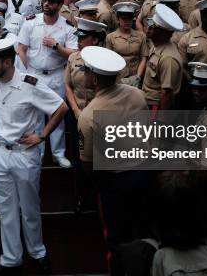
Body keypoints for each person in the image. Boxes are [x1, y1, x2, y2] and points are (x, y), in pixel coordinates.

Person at [0, 36, 68, 274]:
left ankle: (38, 252)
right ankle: (11, 259)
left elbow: (60, 107)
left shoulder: (30, 83)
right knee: (5, 210)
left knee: (29, 209)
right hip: (0, 153)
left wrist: (42, 136)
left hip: (25, 154)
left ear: (8, 62)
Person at [76, 46, 149, 274]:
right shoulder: (137, 95)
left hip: (113, 182)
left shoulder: (89, 115)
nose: (83, 74)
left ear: (95, 79)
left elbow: (87, 164)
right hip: (143, 174)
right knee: (142, 230)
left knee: (116, 238)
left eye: (86, 71)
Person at [17, 0, 77, 168]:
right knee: (34, 114)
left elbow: (74, 54)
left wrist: (57, 47)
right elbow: (22, 49)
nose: (46, 4)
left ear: (60, 5)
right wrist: (26, 74)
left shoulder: (67, 27)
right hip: (34, 73)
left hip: (56, 74)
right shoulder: (30, 23)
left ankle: (58, 153)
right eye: (45, 0)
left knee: (56, 115)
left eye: (51, 2)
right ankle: (39, 152)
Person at [142, 4, 184, 112]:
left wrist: (160, 121)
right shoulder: (156, 46)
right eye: (150, 23)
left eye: (153, 27)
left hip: (157, 108)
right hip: (147, 103)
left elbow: (167, 94)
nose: (148, 28)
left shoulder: (168, 58)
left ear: (165, 33)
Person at [105, 2, 149, 85]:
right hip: (117, 78)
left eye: (130, 19)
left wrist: (138, 77)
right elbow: (109, 60)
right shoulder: (110, 37)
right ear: (118, 19)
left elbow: (143, 58)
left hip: (135, 76)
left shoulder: (141, 36)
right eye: (124, 19)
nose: (127, 21)